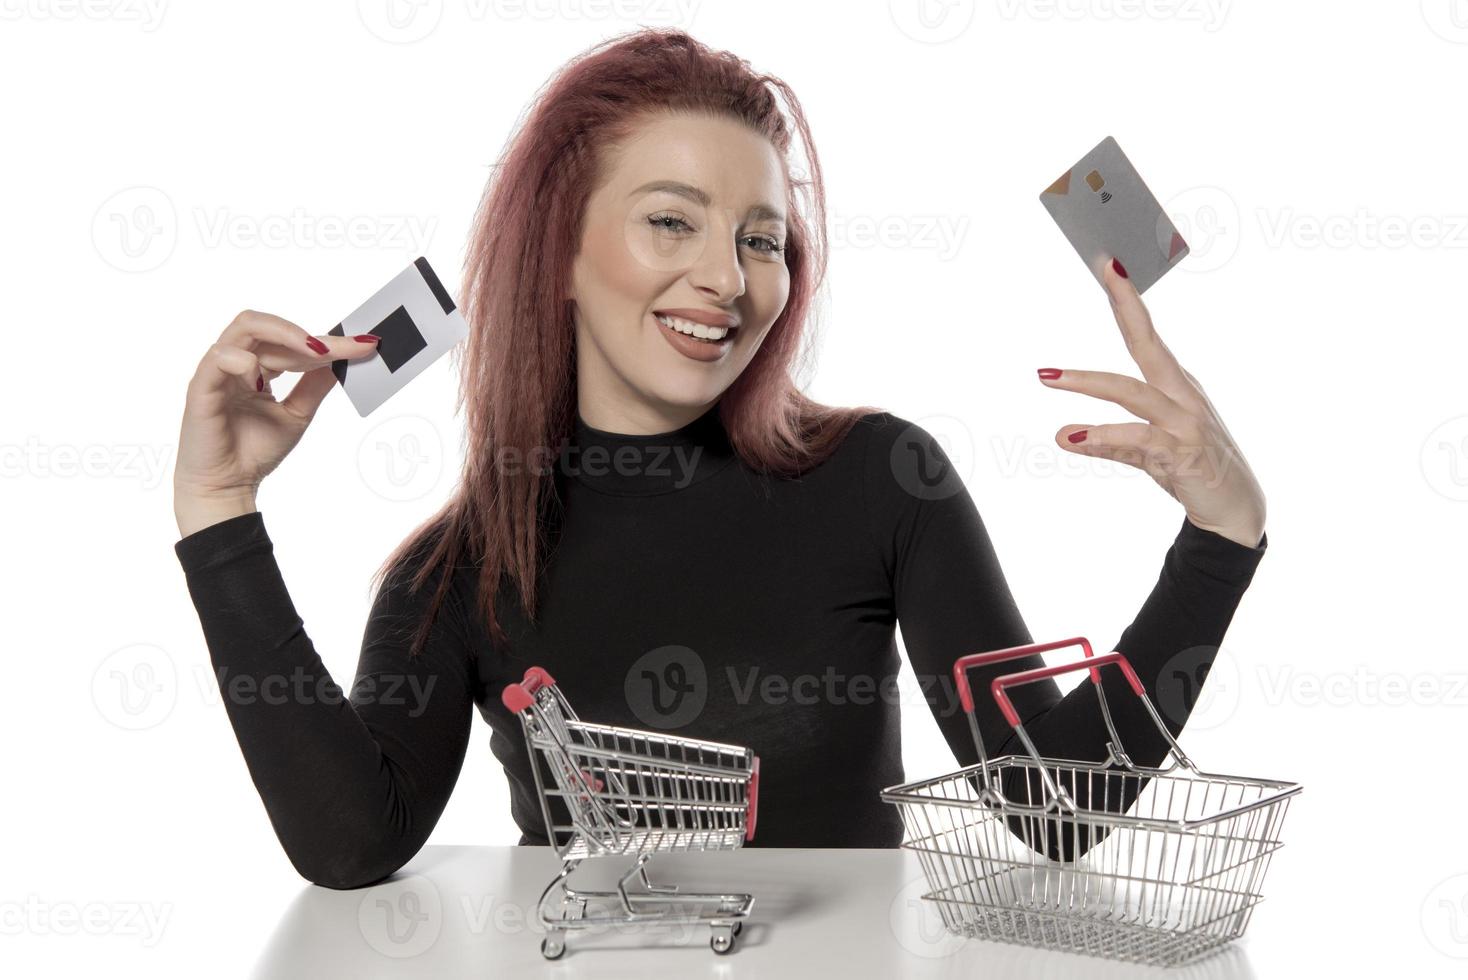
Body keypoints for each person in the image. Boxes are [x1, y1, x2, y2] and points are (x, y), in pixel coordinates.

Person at [172, 28, 1267, 890]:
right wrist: (219, 510)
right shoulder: (460, 569)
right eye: (670, 221)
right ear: (558, 251)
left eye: (759, 237)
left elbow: (1052, 806)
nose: (729, 281)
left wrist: (1218, 540)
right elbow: (351, 844)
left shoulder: (885, 481)